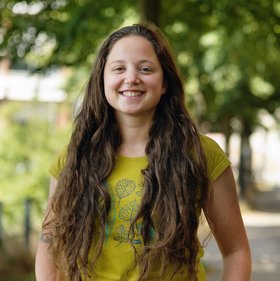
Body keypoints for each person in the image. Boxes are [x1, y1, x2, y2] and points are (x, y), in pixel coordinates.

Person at [35, 22, 251, 281]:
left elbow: (236, 251)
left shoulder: (201, 153)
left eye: (145, 69)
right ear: (103, 80)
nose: (131, 78)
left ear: (164, 84)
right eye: (118, 68)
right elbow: (50, 243)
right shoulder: (76, 155)